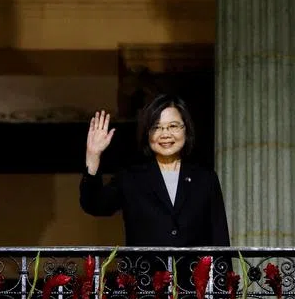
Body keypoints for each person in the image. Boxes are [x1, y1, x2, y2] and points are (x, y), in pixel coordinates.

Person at [80, 94, 230, 247]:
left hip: (194, 271)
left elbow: (219, 235)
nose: (165, 134)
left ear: (186, 130)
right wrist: (93, 155)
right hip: (146, 270)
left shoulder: (205, 179)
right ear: (147, 133)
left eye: (173, 126)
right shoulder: (131, 178)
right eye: (156, 127)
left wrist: (225, 270)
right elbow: (94, 205)